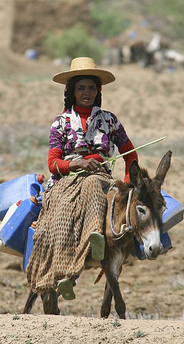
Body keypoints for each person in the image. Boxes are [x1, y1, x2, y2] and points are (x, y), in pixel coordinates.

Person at [26, 57, 139, 300]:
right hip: (65, 181)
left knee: (94, 186)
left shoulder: (110, 120)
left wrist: (128, 181)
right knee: (57, 217)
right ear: (71, 92)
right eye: (81, 88)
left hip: (100, 178)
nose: (86, 93)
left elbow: (131, 154)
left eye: (91, 88)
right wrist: (77, 163)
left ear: (99, 91)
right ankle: (62, 275)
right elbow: (53, 164)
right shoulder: (60, 123)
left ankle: (98, 241)